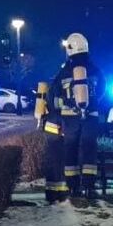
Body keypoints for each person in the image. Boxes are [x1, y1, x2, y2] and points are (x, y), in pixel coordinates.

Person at [50, 33, 105, 200]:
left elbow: (54, 94)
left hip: (70, 117)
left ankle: (73, 187)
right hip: (91, 115)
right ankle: (89, 187)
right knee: (89, 149)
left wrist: (61, 108)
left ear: (69, 49)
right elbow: (103, 90)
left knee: (70, 150)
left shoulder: (64, 71)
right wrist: (92, 105)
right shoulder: (95, 69)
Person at [39, 72, 69, 203]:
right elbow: (60, 108)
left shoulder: (50, 90)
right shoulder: (60, 91)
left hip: (49, 128)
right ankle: (62, 193)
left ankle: (51, 193)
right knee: (61, 163)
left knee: (52, 163)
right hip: (58, 128)